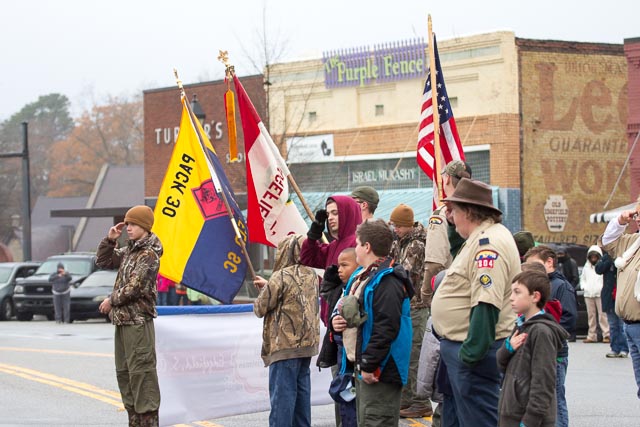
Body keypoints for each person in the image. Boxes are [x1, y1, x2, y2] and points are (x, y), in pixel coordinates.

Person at [430, 178, 521, 427]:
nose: (451, 215)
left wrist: (470, 355)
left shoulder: (487, 244)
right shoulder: (480, 236)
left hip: (474, 351)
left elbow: (486, 302)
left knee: (479, 420)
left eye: (454, 210)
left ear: (469, 212)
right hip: (465, 348)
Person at [332, 219, 413, 427]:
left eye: (358, 243)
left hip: (381, 371)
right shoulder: (367, 276)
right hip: (367, 365)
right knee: (367, 418)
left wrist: (369, 363)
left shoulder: (388, 280)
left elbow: (386, 327)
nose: (355, 248)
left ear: (367, 247)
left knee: (376, 419)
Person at [96, 205, 163, 427]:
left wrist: (110, 300)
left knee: (142, 379)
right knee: (125, 377)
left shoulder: (149, 255)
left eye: (133, 224)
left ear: (145, 226)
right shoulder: (130, 251)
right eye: (127, 224)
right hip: (123, 321)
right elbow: (103, 262)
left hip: (138, 323)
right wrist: (110, 240)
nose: (128, 228)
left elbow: (135, 287)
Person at [253, 234, 320, 427]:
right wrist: (269, 287)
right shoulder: (311, 274)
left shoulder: (280, 276)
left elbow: (260, 308)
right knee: (301, 399)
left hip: (284, 348)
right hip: (306, 347)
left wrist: (265, 291)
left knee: (282, 400)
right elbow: (293, 292)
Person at [497, 270, 569, 427]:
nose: (511, 298)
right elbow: (501, 365)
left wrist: (530, 420)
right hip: (512, 414)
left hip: (529, 420)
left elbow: (544, 382)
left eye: (517, 292)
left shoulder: (541, 332)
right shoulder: (521, 325)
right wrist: (508, 348)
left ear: (535, 297)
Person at [523, 245, 577, 427]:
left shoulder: (561, 286)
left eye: (534, 265)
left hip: (555, 352)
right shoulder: (533, 286)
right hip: (535, 350)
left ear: (549, 262)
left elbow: (568, 319)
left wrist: (546, 335)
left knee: (555, 397)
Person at [388, 203, 432, 419]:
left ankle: (419, 401)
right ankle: (406, 399)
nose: (394, 229)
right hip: (406, 306)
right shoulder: (400, 241)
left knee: (415, 355)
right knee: (405, 354)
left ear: (407, 226)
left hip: (416, 306)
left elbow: (402, 272)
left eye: (397, 225)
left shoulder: (416, 245)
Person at [600, 203, 640, 398]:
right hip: (631, 326)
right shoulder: (633, 242)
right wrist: (620, 221)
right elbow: (608, 241)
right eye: (638, 214)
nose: (638, 218)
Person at [421, 160, 472, 310]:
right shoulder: (478, 211)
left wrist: (426, 294)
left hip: (449, 293)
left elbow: (434, 262)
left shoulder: (443, 214)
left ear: (447, 179)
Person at [319, 247, 359, 427]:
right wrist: (335, 322)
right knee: (344, 401)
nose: (339, 270)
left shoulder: (359, 287)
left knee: (353, 407)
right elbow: (331, 300)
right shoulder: (342, 289)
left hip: (355, 361)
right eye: (338, 265)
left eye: (344, 265)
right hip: (342, 359)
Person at [595, 250, 629, 358]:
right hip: (609, 296)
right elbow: (598, 269)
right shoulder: (606, 257)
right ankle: (614, 348)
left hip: (621, 296)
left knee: (621, 325)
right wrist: (609, 260)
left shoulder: (625, 255)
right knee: (613, 325)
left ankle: (624, 349)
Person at [579, 245, 610, 343]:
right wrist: (584, 287)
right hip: (588, 294)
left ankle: (606, 335)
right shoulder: (586, 267)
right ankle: (592, 336)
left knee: (603, 315)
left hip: (599, 294)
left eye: (595, 257)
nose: (593, 259)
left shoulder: (601, 266)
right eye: (591, 257)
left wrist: (601, 288)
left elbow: (604, 279)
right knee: (591, 316)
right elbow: (582, 279)